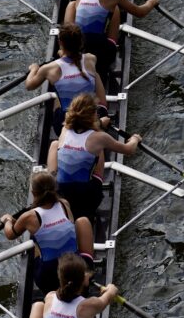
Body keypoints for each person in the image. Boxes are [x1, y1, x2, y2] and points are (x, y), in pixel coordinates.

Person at [47, 92, 143, 221]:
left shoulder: (65, 130)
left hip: (60, 194)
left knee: (55, 144)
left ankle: (50, 179)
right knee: (98, 148)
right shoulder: (100, 138)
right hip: (86, 198)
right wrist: (135, 139)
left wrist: (100, 124)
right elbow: (129, 150)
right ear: (93, 115)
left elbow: (83, 129)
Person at [0, 170, 94, 294]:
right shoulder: (64, 204)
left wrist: (7, 220)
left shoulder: (29, 217)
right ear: (55, 188)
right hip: (75, 270)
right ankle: (88, 270)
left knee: (35, 240)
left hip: (49, 279)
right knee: (82, 222)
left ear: (33, 193)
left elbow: (10, 234)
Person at [66, 0, 158, 76]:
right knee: (115, 9)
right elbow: (140, 12)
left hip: (78, 49)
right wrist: (151, 2)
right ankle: (114, 44)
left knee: (72, 5)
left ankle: (66, 51)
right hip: (101, 53)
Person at [25, 24, 108, 136]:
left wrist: (34, 69)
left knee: (57, 87)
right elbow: (74, 62)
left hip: (65, 124)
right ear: (81, 42)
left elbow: (29, 86)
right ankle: (103, 109)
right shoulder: (91, 58)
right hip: (91, 120)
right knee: (94, 76)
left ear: (60, 43)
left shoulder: (48, 69)